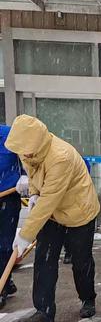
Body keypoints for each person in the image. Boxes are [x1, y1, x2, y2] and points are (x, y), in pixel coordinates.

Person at [5, 115, 100, 322]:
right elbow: (37, 179)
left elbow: (50, 199)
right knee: (44, 260)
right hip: (52, 213)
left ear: (35, 142)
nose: (23, 155)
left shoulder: (61, 156)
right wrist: (35, 193)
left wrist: (25, 233)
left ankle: (88, 298)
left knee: (80, 261)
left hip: (79, 213)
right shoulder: (27, 149)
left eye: (25, 150)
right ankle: (44, 313)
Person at [0, 125, 29, 308]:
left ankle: (2, 285)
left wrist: (26, 175)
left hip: (8, 196)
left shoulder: (9, 134)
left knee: (4, 243)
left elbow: (29, 155)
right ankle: (6, 279)